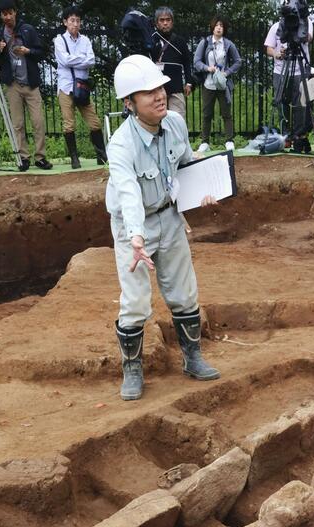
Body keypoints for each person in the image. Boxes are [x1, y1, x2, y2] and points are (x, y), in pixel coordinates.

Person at [106, 55, 220, 401]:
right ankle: (132, 370)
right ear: (129, 103)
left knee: (184, 292)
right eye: (147, 92)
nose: (159, 95)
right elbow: (127, 193)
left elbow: (185, 162)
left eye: (160, 87)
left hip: (169, 216)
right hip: (133, 224)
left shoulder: (174, 123)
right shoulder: (121, 145)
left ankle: (193, 358)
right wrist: (136, 238)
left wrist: (206, 184)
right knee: (137, 302)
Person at [0, 0, 53, 171]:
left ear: (15, 12)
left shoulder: (28, 30)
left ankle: (40, 157)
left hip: (31, 83)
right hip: (13, 84)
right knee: (17, 123)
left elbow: (42, 52)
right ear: (1, 16)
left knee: (38, 122)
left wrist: (28, 51)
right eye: (4, 14)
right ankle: (23, 158)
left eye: (10, 13)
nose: (8, 17)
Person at [54, 6, 107, 169]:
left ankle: (101, 156)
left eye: (78, 20)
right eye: (72, 20)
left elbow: (91, 60)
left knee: (94, 122)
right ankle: (74, 158)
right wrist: (82, 59)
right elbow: (65, 61)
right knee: (69, 124)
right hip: (66, 86)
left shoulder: (85, 40)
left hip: (82, 87)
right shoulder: (59, 40)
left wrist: (76, 59)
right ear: (65, 22)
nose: (75, 24)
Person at [264, 14, 313, 151]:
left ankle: (298, 136)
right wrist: (277, 54)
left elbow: (309, 38)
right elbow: (268, 47)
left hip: (300, 69)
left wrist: (299, 35)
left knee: (300, 104)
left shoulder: (306, 22)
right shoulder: (276, 26)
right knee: (281, 102)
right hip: (280, 71)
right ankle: (285, 136)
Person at [193, 17, 242, 152]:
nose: (219, 28)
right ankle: (205, 142)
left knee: (226, 113)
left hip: (223, 84)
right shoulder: (204, 42)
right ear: (212, 27)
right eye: (217, 25)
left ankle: (229, 140)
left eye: (221, 26)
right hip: (208, 83)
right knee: (207, 113)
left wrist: (227, 72)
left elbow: (238, 61)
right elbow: (196, 61)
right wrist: (207, 68)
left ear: (224, 29)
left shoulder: (228, 44)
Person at [151, 6, 193, 120]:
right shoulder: (151, 40)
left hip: (176, 88)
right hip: (157, 89)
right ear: (157, 23)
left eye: (168, 20)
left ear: (172, 22)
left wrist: (188, 82)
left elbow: (187, 62)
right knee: (158, 122)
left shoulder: (180, 41)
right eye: (162, 20)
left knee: (178, 120)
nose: (165, 23)